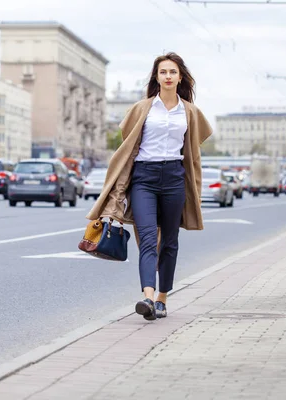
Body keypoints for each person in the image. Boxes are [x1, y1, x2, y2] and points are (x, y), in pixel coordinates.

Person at [86, 52, 213, 321]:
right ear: (156, 77)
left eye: (172, 72)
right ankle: (147, 296)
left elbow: (196, 143)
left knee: (169, 241)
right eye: (163, 72)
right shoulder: (143, 108)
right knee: (147, 239)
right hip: (144, 177)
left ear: (180, 78)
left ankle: (162, 299)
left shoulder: (189, 111)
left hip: (174, 178)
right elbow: (127, 137)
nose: (168, 76)